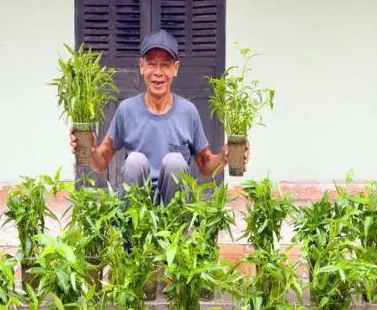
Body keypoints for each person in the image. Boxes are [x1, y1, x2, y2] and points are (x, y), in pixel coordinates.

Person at [69, 29, 249, 204]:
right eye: (152, 64)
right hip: (136, 209)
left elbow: (205, 165)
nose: (158, 73)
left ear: (175, 69)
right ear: (141, 66)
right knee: (135, 161)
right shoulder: (126, 110)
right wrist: (91, 150)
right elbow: (101, 162)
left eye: (165, 65)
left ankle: (172, 230)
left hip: (174, 210)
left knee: (175, 161)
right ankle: (133, 232)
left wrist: (226, 156)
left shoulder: (188, 111)